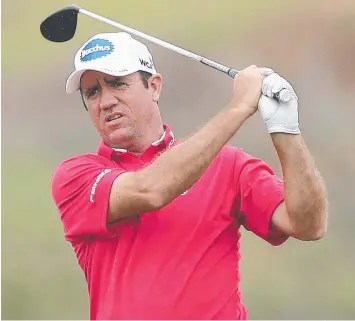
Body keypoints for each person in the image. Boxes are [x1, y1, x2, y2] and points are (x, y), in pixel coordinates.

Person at [51, 32, 328, 320]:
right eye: (92, 92)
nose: (106, 101)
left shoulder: (228, 165)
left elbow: (308, 225)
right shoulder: (76, 177)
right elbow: (151, 190)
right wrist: (238, 108)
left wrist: (286, 129)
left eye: (117, 83)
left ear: (154, 86)